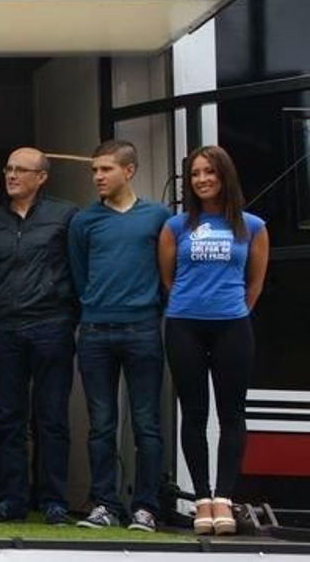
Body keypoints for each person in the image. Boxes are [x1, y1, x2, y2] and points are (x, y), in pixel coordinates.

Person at [159, 145, 269, 536]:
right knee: (193, 413)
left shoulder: (252, 226)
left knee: (231, 414)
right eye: (195, 173)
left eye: (210, 172)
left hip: (232, 327)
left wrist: (231, 309)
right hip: (184, 326)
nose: (202, 179)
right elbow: (168, 280)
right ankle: (202, 499)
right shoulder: (175, 227)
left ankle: (223, 497)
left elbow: (255, 284)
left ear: (225, 176)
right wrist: (192, 304)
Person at [69, 141, 170, 532]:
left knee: (146, 423)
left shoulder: (158, 217)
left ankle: (145, 507)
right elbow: (80, 276)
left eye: (106, 169)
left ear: (129, 170)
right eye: (94, 170)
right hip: (95, 330)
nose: (98, 176)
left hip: (143, 329)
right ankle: (104, 504)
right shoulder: (84, 221)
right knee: (101, 424)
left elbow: (167, 272)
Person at [0, 147, 78, 525]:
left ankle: (53, 501)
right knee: (8, 417)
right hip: (3, 328)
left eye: (21, 170)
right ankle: (12, 500)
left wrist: (70, 315)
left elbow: (78, 269)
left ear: (42, 177)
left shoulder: (65, 216)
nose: (12, 175)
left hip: (51, 325)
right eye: (8, 168)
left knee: (51, 417)